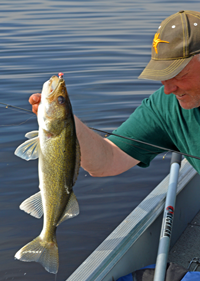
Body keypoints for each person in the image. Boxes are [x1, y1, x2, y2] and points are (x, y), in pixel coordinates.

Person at [29, 10, 200, 176]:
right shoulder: (166, 106)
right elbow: (109, 159)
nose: (168, 90)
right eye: (163, 76)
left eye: (179, 75)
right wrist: (65, 121)